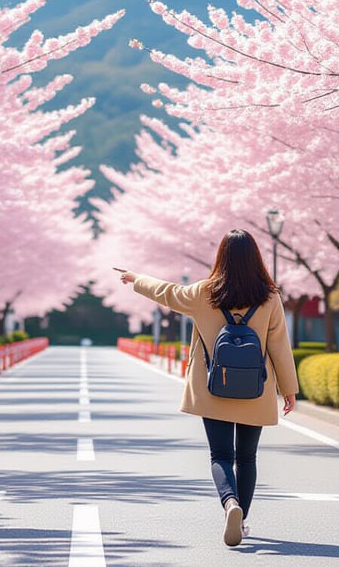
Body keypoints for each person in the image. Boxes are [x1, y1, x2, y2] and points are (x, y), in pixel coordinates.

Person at [116, 229, 299, 547]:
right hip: (256, 389)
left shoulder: (203, 293)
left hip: (214, 387)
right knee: (248, 458)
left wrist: (135, 278)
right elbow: (280, 347)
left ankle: (230, 504)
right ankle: (241, 522)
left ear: (221, 258)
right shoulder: (270, 298)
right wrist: (289, 389)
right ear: (255, 258)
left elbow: (166, 292)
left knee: (221, 456)